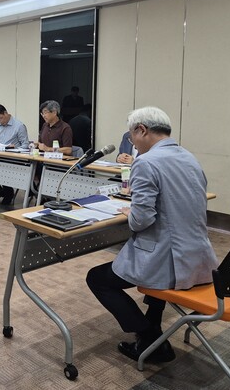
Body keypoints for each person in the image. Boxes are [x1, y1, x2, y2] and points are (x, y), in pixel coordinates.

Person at [85, 106, 218, 364]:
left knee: (98, 279)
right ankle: (153, 328)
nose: (132, 143)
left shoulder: (146, 162)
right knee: (145, 267)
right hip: (199, 258)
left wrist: (132, 212)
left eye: (131, 136)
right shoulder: (189, 157)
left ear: (142, 130)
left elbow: (141, 221)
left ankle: (150, 337)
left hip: (167, 261)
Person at [0, 104, 29, 204]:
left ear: (5, 113)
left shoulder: (19, 126)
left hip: (14, 157)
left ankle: (8, 193)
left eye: (0, 118)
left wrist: (15, 148)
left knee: (3, 166)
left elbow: (25, 145)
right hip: (0, 155)